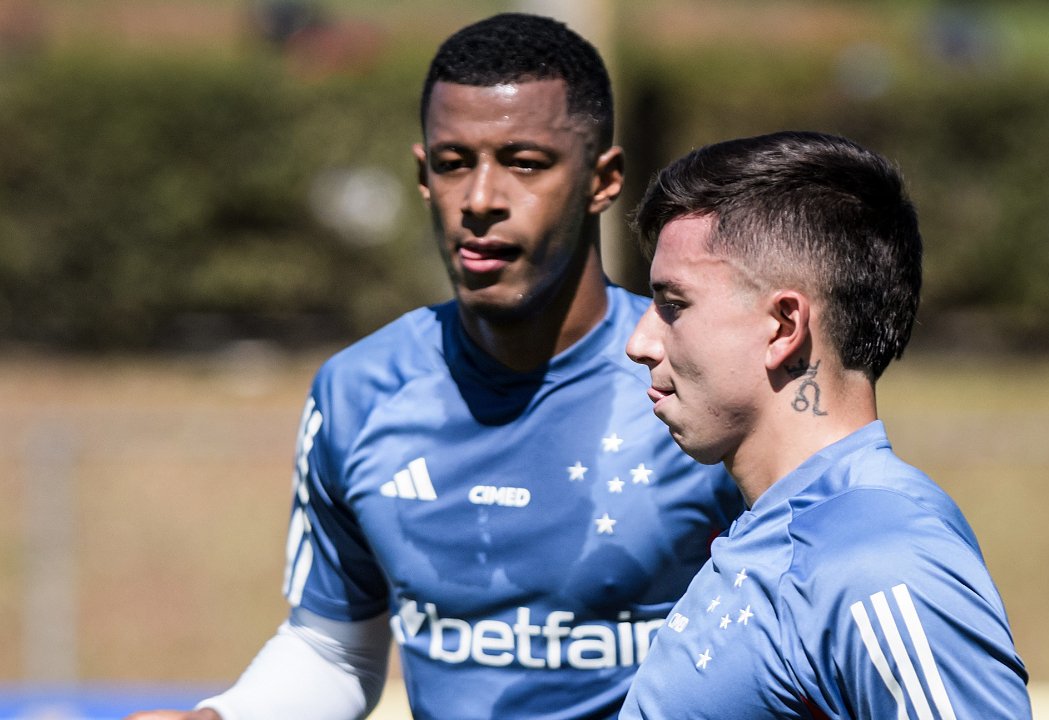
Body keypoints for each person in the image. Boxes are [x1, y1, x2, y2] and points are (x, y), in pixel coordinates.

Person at [127, 13, 741, 720]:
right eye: (454, 164)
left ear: (603, 181)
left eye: (525, 163)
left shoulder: (702, 382)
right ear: (424, 176)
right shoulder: (359, 393)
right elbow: (334, 650)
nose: (480, 200)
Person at [618, 131, 1031, 719]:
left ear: (785, 325)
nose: (639, 342)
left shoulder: (879, 560)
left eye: (673, 304)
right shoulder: (785, 529)